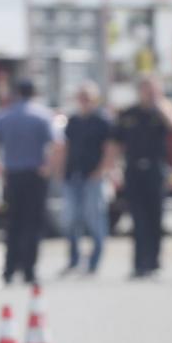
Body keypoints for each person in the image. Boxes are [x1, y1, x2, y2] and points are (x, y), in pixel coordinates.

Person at [0, 77, 62, 286]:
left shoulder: (5, 115)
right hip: (36, 175)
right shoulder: (42, 115)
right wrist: (49, 167)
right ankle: (29, 269)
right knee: (34, 224)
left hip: (12, 175)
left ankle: (9, 269)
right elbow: (57, 144)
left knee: (13, 223)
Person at [114, 75, 172, 279]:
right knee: (137, 219)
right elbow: (116, 142)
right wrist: (112, 168)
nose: (148, 93)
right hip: (134, 170)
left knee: (155, 217)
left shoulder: (161, 112)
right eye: (146, 89)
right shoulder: (129, 114)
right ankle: (139, 264)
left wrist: (160, 102)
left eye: (152, 90)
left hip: (156, 169)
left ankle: (154, 262)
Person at [60, 81, 114, 276]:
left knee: (94, 218)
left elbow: (110, 149)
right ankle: (74, 258)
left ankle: (94, 261)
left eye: (88, 98)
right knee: (70, 219)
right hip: (73, 175)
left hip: (93, 176)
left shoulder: (103, 121)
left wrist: (102, 171)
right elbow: (65, 147)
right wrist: (60, 170)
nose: (84, 102)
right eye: (81, 97)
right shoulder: (73, 121)